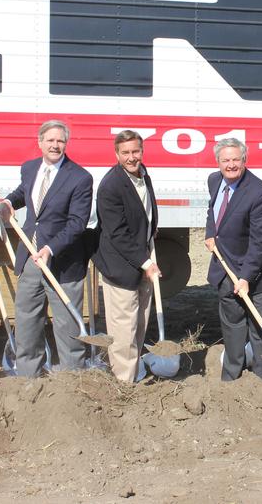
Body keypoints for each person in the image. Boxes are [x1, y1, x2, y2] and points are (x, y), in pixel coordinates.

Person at [0, 120, 93, 377]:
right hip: (30, 256)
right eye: (50, 140)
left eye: (60, 141)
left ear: (66, 144)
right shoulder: (30, 168)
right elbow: (24, 193)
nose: (55, 145)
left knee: (67, 326)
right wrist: (9, 202)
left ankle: (72, 380)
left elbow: (77, 223)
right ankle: (28, 377)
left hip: (62, 263)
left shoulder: (80, 177)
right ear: (40, 142)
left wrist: (50, 249)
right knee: (27, 321)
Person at [204, 137, 262, 383]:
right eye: (225, 160)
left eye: (236, 160)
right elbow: (213, 211)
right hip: (226, 267)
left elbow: (260, 241)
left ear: (245, 161)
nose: (231, 165)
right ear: (218, 162)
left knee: (260, 330)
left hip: (257, 273)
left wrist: (247, 277)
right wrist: (210, 234)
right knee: (233, 327)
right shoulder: (215, 180)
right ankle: (232, 378)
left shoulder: (259, 193)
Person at [92, 130, 161, 382]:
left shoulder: (144, 174)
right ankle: (123, 383)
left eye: (136, 151)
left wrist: (151, 234)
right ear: (116, 154)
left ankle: (133, 374)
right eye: (126, 153)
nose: (132, 157)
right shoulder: (111, 185)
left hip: (142, 257)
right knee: (124, 330)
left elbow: (147, 210)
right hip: (120, 266)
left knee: (139, 323)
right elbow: (117, 233)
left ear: (142, 151)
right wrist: (146, 263)